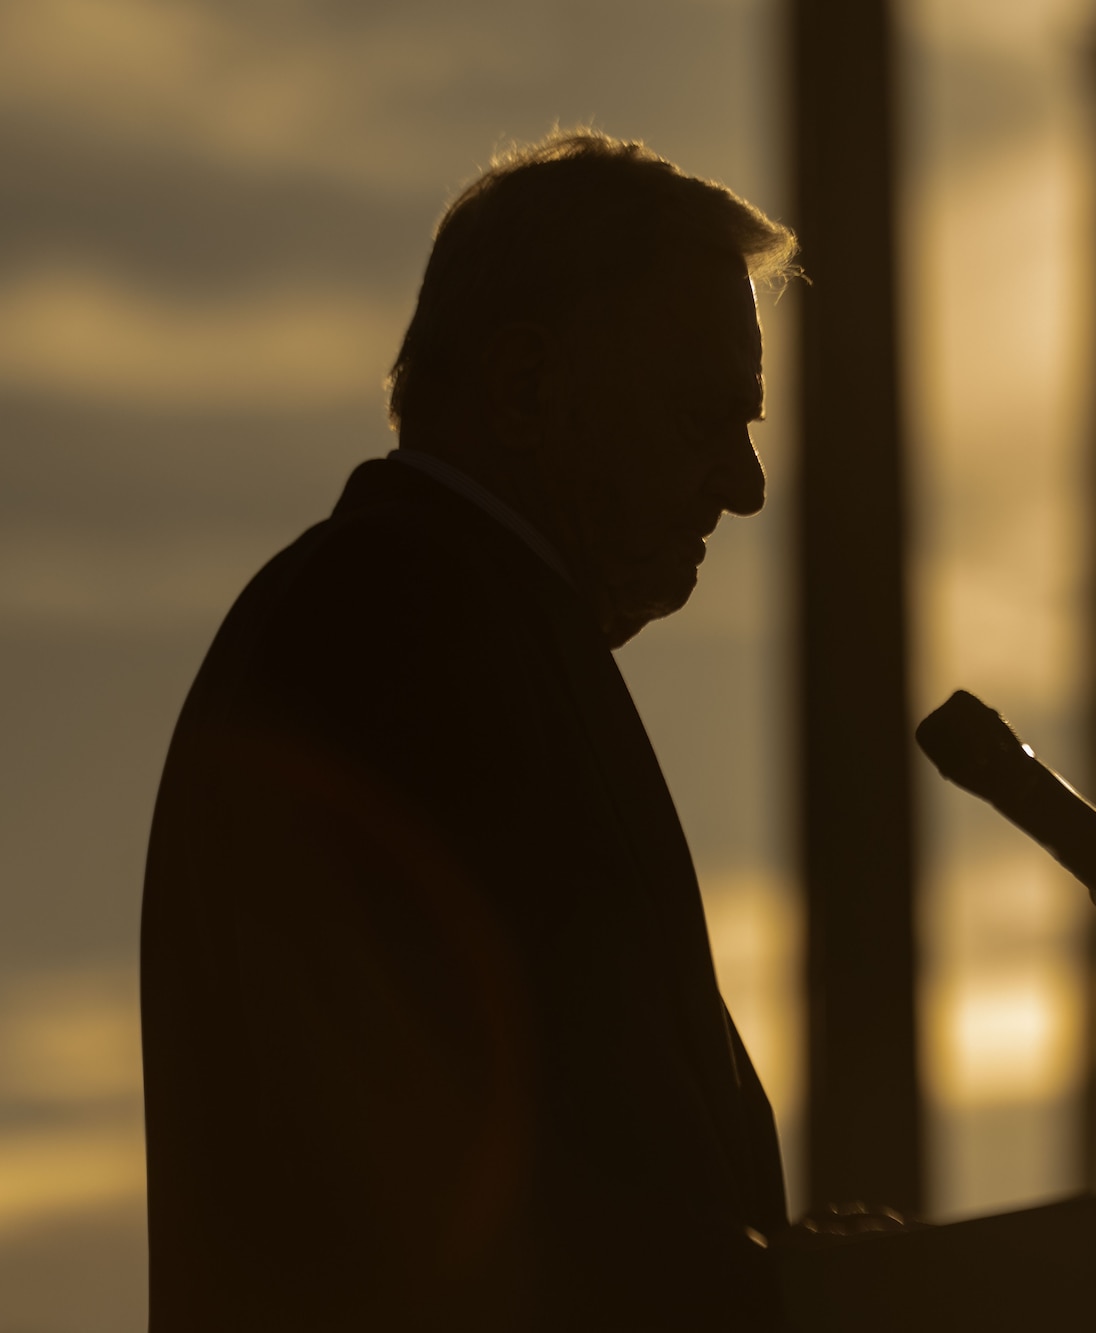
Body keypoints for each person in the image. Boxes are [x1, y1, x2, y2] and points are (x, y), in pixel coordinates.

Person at [141, 130, 796, 1331]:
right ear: (529, 390)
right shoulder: (399, 626)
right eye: (705, 416)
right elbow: (486, 1173)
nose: (744, 484)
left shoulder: (436, 614)